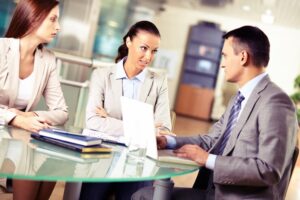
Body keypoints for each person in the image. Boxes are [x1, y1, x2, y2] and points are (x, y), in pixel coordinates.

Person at [132, 26, 298, 200]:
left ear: (243, 57)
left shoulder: (276, 102)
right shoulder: (239, 98)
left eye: (225, 56)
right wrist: (169, 141)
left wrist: (207, 159)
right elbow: (213, 139)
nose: (222, 64)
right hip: (216, 192)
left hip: (238, 197)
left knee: (144, 196)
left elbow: (268, 169)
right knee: (144, 195)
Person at [80, 21, 172, 200]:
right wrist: (144, 129)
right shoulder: (101, 75)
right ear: (129, 42)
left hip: (138, 162)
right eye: (143, 48)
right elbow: (93, 121)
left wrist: (109, 121)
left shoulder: (159, 81)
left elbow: (164, 130)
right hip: (103, 157)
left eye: (154, 51)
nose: (148, 57)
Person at [0, 0, 68, 199]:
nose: (58, 27)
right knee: (29, 155)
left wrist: (29, 115)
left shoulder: (47, 59)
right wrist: (16, 119)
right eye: (53, 19)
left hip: (18, 137)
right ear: (33, 18)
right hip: (8, 131)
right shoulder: (2, 49)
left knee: (54, 159)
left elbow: (62, 112)